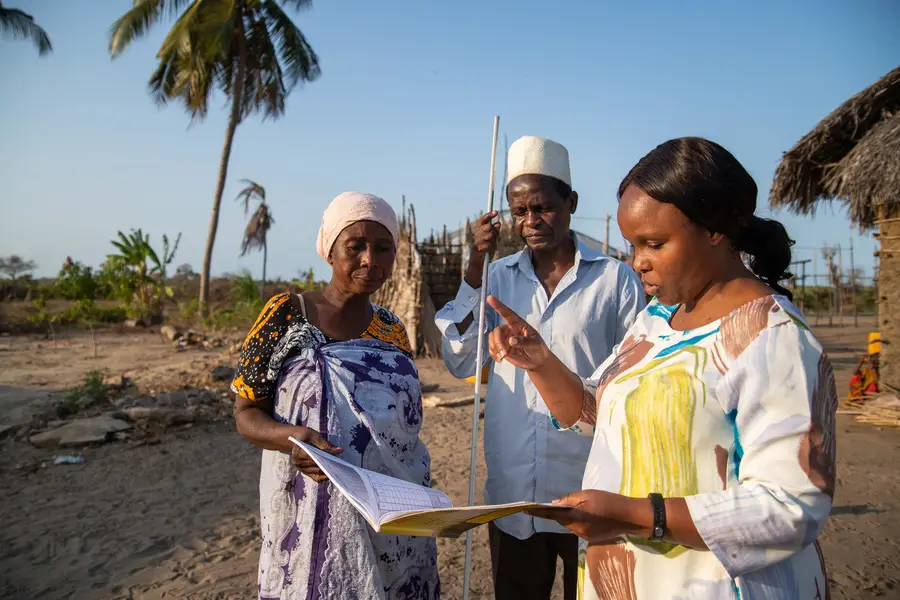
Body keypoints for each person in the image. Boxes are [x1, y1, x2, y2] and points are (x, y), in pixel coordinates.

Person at [486, 137, 836, 599]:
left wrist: (638, 516)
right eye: (633, 245)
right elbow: (600, 411)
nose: (639, 263)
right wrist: (541, 363)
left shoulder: (773, 338)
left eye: (654, 243)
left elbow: (793, 505)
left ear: (715, 229)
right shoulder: (657, 321)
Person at [435, 136, 645, 600]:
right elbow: (460, 359)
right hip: (515, 492)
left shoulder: (615, 281)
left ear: (570, 203)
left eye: (543, 207)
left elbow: (633, 380)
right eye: (520, 211)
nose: (531, 221)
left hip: (593, 486)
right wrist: (473, 271)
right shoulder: (496, 279)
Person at [232, 192, 440, 600]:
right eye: (355, 246)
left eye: (383, 249)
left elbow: (404, 426)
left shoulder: (392, 331)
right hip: (309, 505)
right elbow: (245, 412)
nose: (370, 260)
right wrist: (290, 437)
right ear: (329, 250)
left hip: (391, 507)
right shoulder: (286, 315)